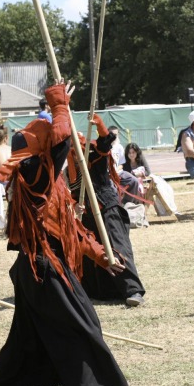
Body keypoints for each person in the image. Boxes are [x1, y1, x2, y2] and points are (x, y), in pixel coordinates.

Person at [0, 80, 128, 386]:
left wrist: (101, 256)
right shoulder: (34, 174)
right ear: (39, 149)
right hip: (42, 269)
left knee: (32, 332)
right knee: (79, 325)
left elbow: (70, 232)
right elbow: (62, 140)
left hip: (38, 268)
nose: (61, 148)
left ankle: (15, 380)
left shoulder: (51, 182)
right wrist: (59, 103)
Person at [67, 115, 146, 306]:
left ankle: (133, 291)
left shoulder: (93, 152)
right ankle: (100, 291)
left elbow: (106, 141)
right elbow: (70, 190)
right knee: (89, 252)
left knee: (117, 247)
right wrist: (74, 204)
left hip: (107, 206)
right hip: (86, 211)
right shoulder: (69, 162)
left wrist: (101, 126)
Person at [108, 125, 140, 204]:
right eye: (112, 134)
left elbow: (122, 164)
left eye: (116, 134)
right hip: (108, 175)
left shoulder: (119, 147)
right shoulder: (105, 147)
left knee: (134, 181)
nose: (114, 136)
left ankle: (128, 204)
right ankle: (115, 207)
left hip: (119, 173)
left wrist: (116, 170)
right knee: (113, 189)